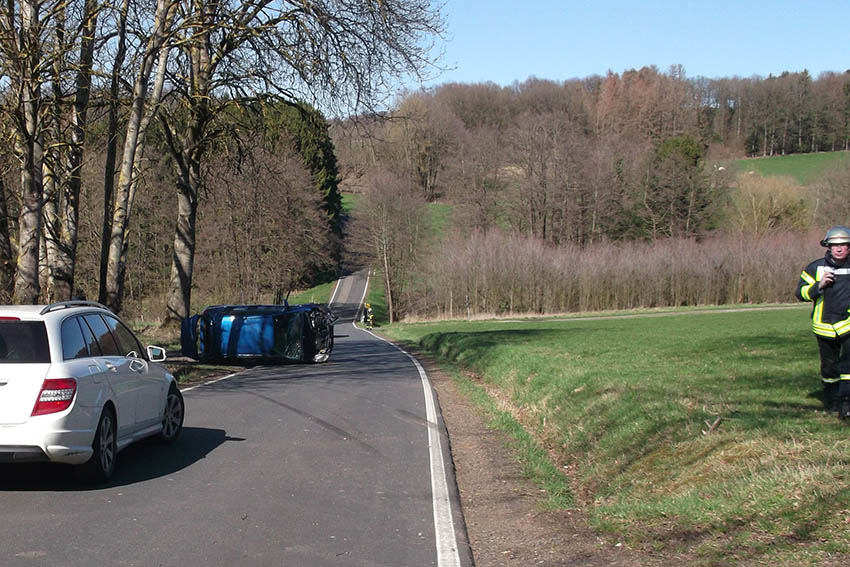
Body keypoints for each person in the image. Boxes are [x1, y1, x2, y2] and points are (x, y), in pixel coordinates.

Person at [796, 225, 850, 418]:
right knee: (829, 368)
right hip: (823, 327)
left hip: (848, 325)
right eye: (835, 245)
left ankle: (846, 403)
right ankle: (832, 400)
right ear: (827, 246)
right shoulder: (815, 267)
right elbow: (800, 293)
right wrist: (818, 286)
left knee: (848, 366)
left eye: (843, 245)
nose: (839, 248)